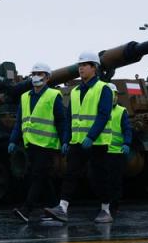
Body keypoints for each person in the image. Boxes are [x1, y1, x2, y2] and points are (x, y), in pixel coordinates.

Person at [43, 52, 114, 224]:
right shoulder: (74, 92)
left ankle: (106, 210)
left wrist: (91, 136)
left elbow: (103, 115)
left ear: (94, 68)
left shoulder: (103, 89)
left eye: (85, 64)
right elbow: (69, 118)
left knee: (98, 177)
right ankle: (62, 208)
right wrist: (66, 140)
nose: (81, 67)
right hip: (77, 142)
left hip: (97, 142)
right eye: (80, 65)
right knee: (70, 174)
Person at [8, 62, 68, 222]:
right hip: (31, 145)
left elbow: (61, 121)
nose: (36, 77)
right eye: (34, 74)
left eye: (40, 74)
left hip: (46, 144)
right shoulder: (24, 97)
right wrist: (13, 140)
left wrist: (64, 141)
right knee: (43, 177)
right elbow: (19, 122)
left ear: (47, 78)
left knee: (37, 176)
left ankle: (26, 210)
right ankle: (56, 209)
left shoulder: (53, 96)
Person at [104, 83, 132, 217]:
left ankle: (113, 207)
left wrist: (126, 143)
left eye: (114, 95)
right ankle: (104, 205)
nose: (113, 98)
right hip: (102, 151)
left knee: (115, 182)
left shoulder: (121, 111)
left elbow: (127, 129)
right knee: (101, 180)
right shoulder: (99, 110)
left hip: (116, 152)